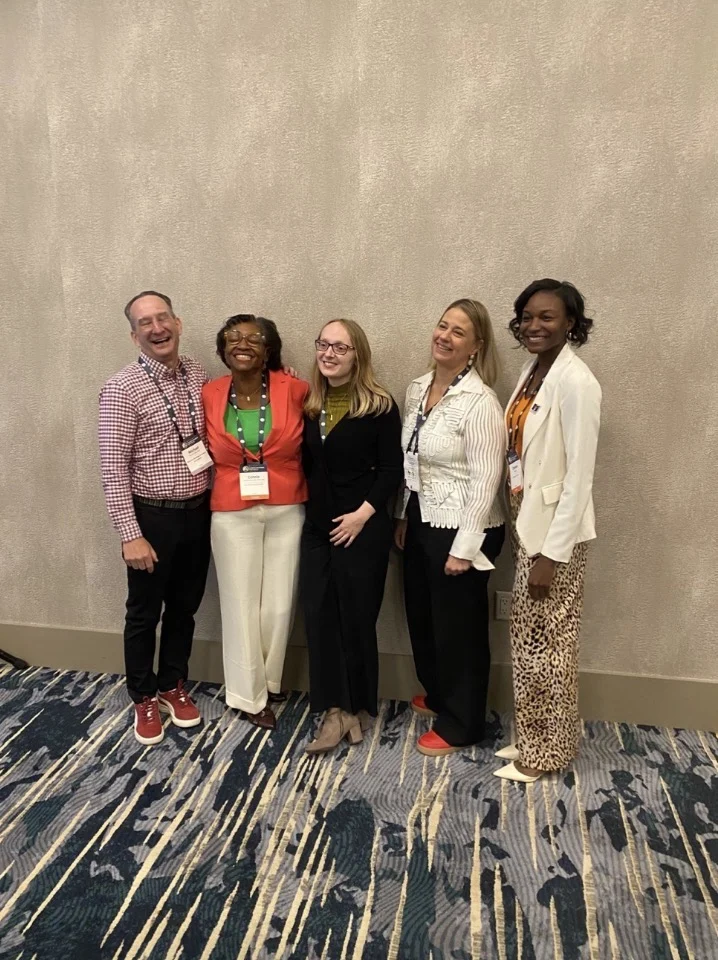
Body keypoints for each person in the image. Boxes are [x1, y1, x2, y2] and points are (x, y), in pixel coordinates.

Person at [494, 279, 601, 783]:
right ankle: (537, 735)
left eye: (547, 317)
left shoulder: (577, 382)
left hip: (556, 537)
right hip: (528, 520)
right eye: (527, 317)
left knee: (549, 645)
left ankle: (546, 753)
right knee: (530, 638)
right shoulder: (534, 370)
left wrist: (552, 555)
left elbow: (580, 478)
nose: (534, 326)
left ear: (571, 323)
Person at [394, 299, 506, 756]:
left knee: (458, 629)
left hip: (465, 527)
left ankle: (463, 723)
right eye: (443, 326)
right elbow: (412, 460)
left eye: (458, 332)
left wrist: (465, 547)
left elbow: (486, 479)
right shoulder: (418, 387)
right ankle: (440, 694)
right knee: (423, 617)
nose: (445, 336)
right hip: (422, 517)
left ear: (475, 347)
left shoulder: (480, 402)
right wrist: (403, 514)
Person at [99, 291, 212, 745]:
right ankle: (143, 696)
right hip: (152, 518)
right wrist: (131, 534)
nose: (156, 328)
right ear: (134, 336)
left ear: (178, 323)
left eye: (162, 318)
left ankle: (171, 684)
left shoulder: (197, 374)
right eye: (144, 323)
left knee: (185, 607)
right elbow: (113, 468)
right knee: (144, 614)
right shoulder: (121, 388)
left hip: (198, 513)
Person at [301, 320, 403, 754]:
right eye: (323, 345)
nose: (329, 354)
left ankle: (351, 706)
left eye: (340, 347)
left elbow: (392, 471)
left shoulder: (379, 406)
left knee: (356, 617)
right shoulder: (311, 403)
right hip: (318, 527)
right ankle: (335, 709)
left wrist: (361, 516)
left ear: (357, 354)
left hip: (362, 526)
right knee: (320, 615)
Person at [202, 314, 308, 729]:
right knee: (240, 604)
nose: (242, 344)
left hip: (286, 506)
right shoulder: (209, 393)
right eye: (233, 337)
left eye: (254, 338)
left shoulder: (295, 389)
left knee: (279, 605)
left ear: (269, 350)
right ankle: (247, 695)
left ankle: (269, 678)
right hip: (232, 510)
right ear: (222, 348)